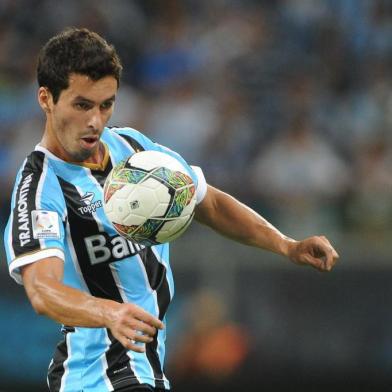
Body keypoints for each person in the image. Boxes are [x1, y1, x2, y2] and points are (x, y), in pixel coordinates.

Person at [3, 28, 339, 392]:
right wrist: (109, 311)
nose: (96, 121)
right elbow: (42, 289)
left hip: (144, 370)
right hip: (99, 376)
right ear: (46, 99)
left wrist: (286, 245)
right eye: (82, 105)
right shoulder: (40, 187)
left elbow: (206, 201)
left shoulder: (132, 147)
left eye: (106, 104)